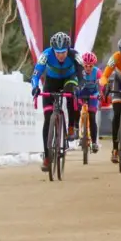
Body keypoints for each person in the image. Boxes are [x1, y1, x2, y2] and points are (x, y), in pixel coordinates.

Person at [31, 32, 83, 171]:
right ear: (53, 50)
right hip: (51, 82)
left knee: (71, 93)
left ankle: (71, 126)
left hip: (69, 79)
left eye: (63, 52)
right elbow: (36, 74)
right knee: (48, 120)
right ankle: (47, 157)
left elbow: (81, 73)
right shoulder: (46, 55)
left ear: (68, 49)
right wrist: (35, 87)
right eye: (58, 52)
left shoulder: (74, 54)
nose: (61, 55)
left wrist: (80, 86)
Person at [100, 36, 121, 164]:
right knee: (116, 114)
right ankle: (115, 149)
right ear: (120, 52)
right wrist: (104, 85)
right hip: (118, 83)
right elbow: (105, 75)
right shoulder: (115, 57)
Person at [77, 51, 101, 154]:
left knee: (92, 116)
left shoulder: (97, 72)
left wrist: (101, 92)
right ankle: (78, 132)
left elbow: (102, 82)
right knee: (76, 109)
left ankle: (94, 142)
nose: (88, 68)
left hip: (93, 94)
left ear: (93, 65)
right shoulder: (80, 72)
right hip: (82, 93)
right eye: (86, 66)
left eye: (90, 66)